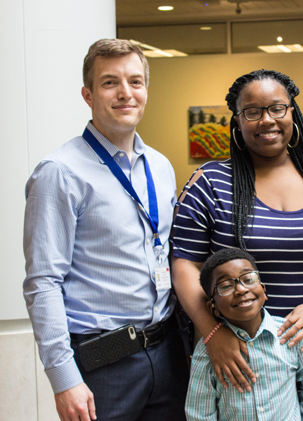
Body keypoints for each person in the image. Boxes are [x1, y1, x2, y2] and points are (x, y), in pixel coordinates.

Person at [172, 69, 303, 420]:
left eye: (277, 108)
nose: (266, 120)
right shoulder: (210, 182)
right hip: (249, 371)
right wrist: (212, 333)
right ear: (237, 122)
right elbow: (184, 266)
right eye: (252, 111)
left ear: (292, 113)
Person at [23, 39, 188, 421]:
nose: (125, 93)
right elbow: (43, 282)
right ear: (88, 94)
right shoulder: (59, 173)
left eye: (135, 81)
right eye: (110, 82)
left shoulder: (160, 167)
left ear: (146, 89)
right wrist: (64, 379)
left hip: (167, 352)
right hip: (103, 363)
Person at [185, 248, 303, 421]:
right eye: (226, 286)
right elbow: (199, 413)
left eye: (248, 279)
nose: (241, 289)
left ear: (263, 289)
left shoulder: (292, 335)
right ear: (212, 307)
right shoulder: (207, 353)